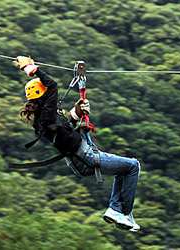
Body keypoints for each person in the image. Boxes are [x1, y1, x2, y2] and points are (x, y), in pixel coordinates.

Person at [14, 56, 141, 232]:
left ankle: (116, 209)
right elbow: (52, 85)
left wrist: (77, 112)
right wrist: (31, 68)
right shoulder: (46, 115)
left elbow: (66, 129)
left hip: (80, 159)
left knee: (123, 170)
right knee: (133, 166)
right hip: (86, 157)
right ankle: (123, 212)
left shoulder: (44, 118)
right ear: (43, 94)